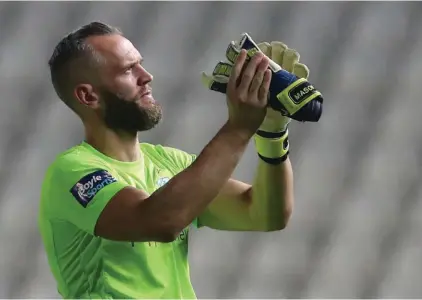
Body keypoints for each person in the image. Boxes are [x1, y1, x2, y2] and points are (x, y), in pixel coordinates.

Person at [39, 21, 294, 299]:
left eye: (140, 64)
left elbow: (265, 214)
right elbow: (159, 221)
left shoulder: (169, 162)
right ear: (88, 95)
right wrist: (239, 129)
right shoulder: (72, 171)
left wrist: (272, 136)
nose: (146, 76)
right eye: (128, 69)